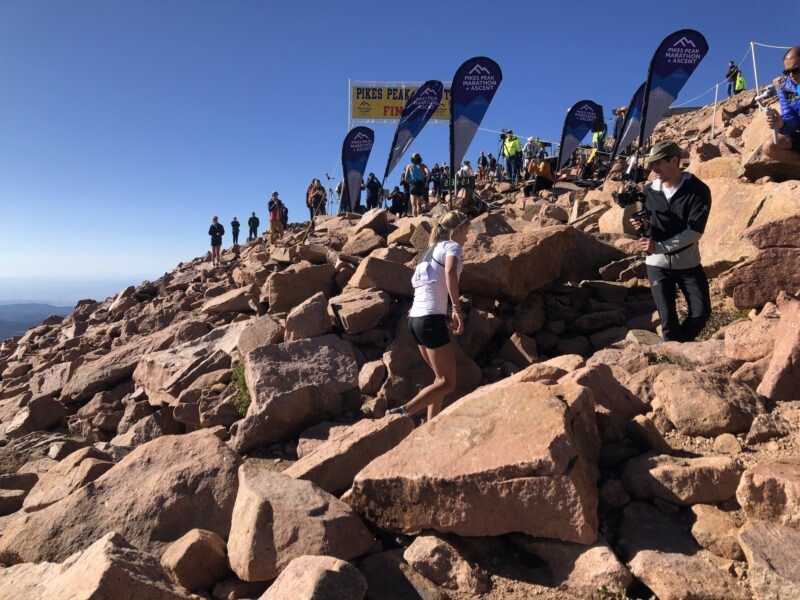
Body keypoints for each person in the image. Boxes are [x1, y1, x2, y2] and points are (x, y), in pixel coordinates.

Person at [387, 210, 470, 421]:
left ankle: (431, 424)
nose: (467, 236)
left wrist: (443, 315)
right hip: (430, 319)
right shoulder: (452, 246)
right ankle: (403, 412)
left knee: (439, 378)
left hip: (415, 320)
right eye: (466, 231)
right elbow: (450, 272)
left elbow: (426, 286)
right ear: (457, 230)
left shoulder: (426, 253)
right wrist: (456, 309)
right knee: (448, 383)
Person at [629, 140, 712, 343]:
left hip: (688, 263)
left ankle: (677, 347)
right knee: (668, 322)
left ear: (674, 160)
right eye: (652, 164)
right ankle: (673, 352)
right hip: (656, 264)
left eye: (658, 163)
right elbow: (650, 226)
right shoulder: (648, 192)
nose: (654, 170)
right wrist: (643, 226)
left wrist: (660, 247)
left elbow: (694, 232)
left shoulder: (698, 190)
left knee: (701, 313)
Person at [762, 46, 800, 168]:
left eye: (796, 70)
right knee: (770, 146)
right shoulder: (788, 89)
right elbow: (793, 119)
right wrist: (782, 124)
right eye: (787, 72)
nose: (791, 75)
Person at [404, 153, 430, 217]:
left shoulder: (409, 166)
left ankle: (415, 219)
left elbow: (406, 178)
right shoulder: (423, 166)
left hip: (413, 185)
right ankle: (418, 218)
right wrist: (426, 181)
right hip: (421, 185)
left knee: (414, 205)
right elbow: (428, 173)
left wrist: (410, 182)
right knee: (419, 204)